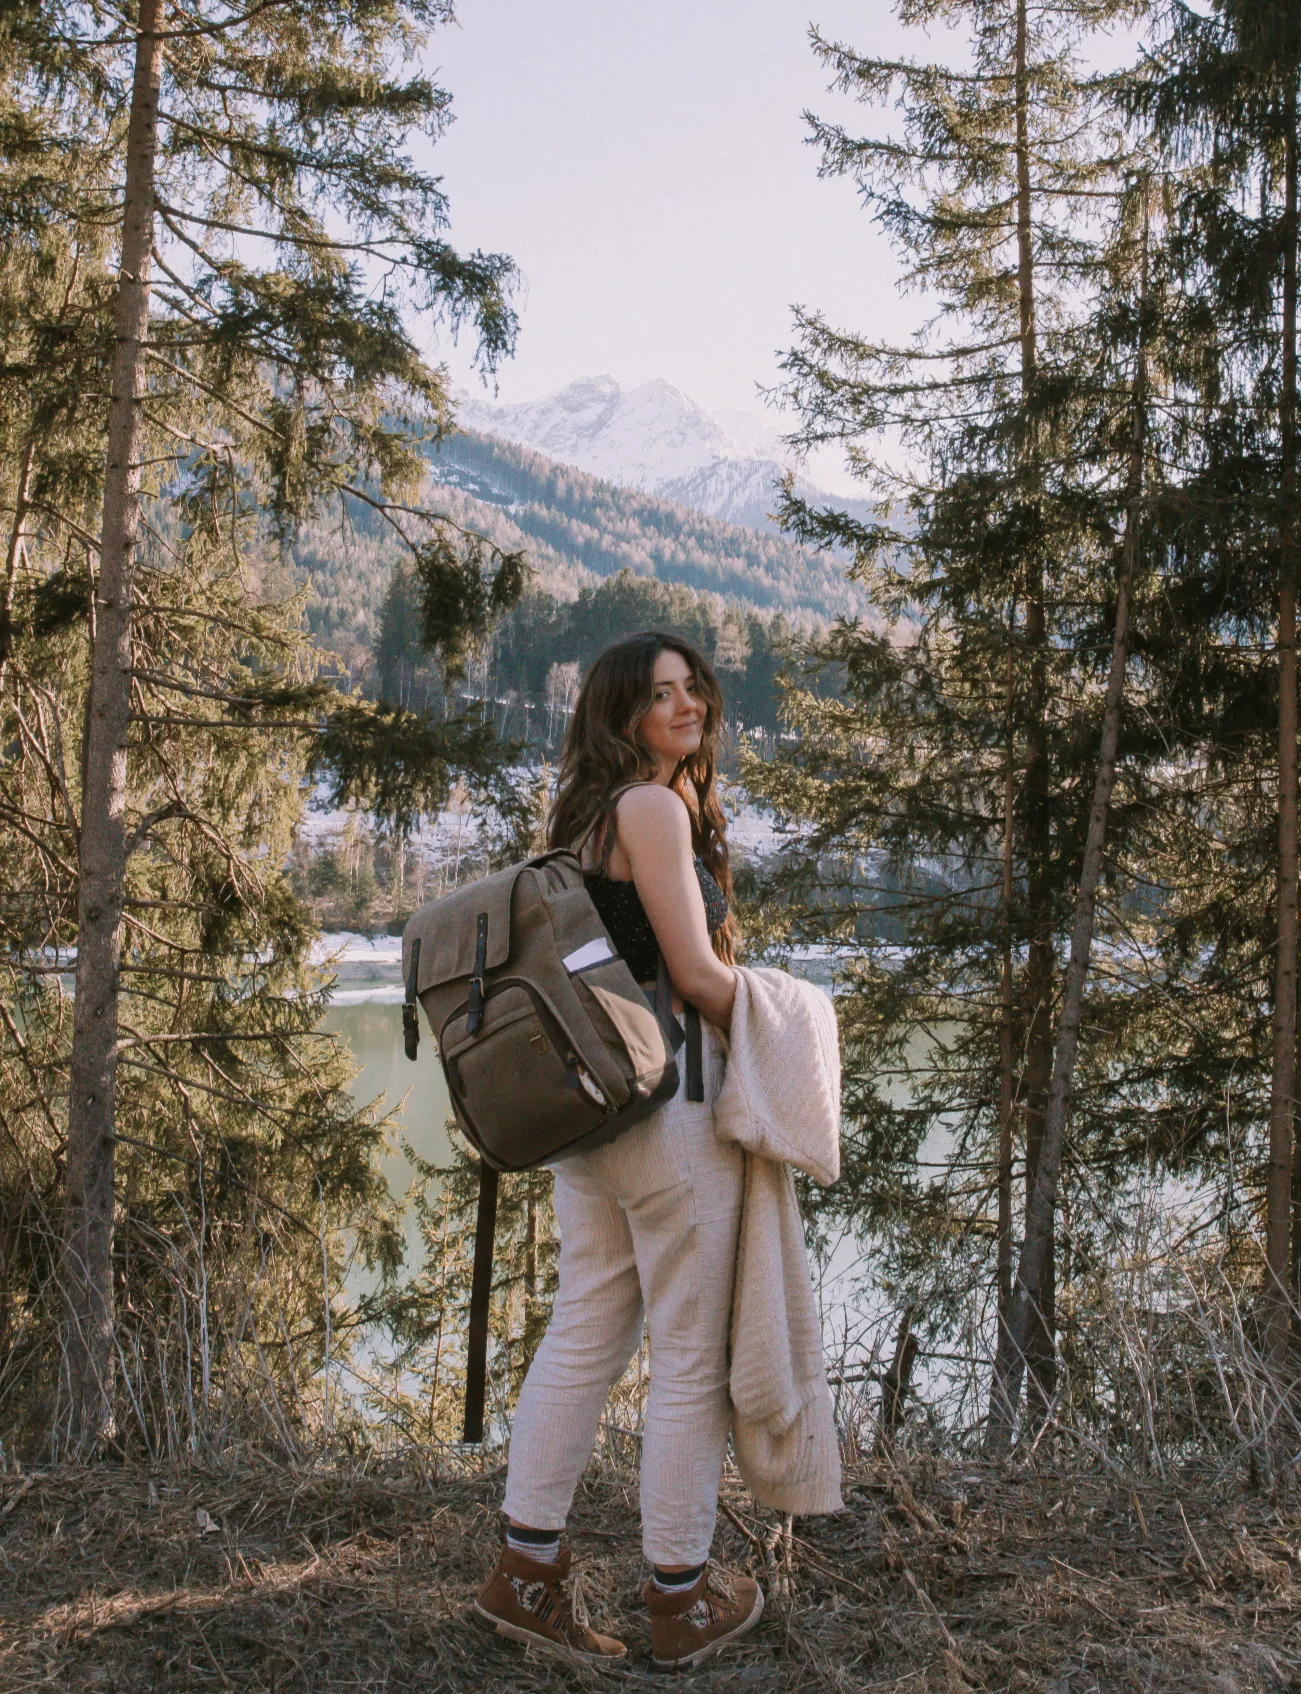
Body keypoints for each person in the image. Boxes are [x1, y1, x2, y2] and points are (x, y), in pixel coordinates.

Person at [473, 630, 765, 1671]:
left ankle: (524, 1570)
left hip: (592, 1125)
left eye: (694, 688)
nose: (686, 706)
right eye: (660, 695)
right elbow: (692, 973)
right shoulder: (652, 808)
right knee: (686, 1357)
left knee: (584, 1332)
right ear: (621, 715)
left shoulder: (584, 818)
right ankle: (678, 1597)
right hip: (669, 1110)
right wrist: (789, 1010)